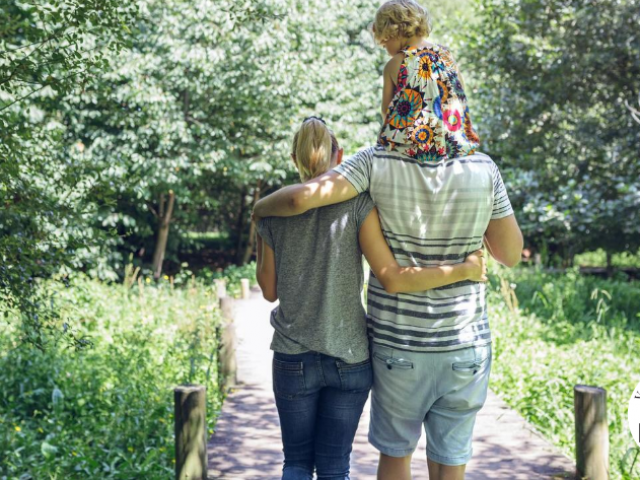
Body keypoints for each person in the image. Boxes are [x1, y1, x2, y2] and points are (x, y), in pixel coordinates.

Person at [252, 4, 523, 476]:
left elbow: (305, 199)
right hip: (464, 344)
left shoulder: (374, 163)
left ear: (400, 94)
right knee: (452, 460)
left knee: (394, 454)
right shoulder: (484, 170)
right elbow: (511, 255)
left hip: (399, 344)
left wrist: (259, 209)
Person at [255, 117, 489, 480]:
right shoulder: (359, 206)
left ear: (293, 158)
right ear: (341, 155)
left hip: (292, 356)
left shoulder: (271, 214)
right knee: (335, 466)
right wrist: (463, 269)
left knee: (297, 463)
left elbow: (269, 291)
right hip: (349, 357)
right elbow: (392, 276)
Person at [374, 0, 480, 163]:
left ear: (394, 31)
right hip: (454, 144)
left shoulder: (396, 63)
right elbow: (460, 94)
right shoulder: (446, 55)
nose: (386, 49)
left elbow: (386, 111)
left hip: (414, 147)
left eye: (384, 43)